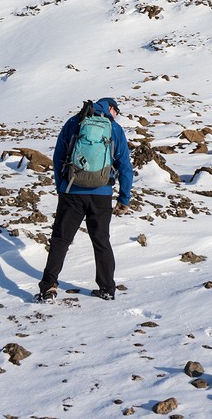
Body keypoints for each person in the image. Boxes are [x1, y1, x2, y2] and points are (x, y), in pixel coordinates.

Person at [36, 97, 133, 302]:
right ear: (111, 109)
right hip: (102, 194)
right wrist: (124, 198)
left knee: (61, 240)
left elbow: (58, 157)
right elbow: (124, 165)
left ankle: (48, 288)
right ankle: (107, 288)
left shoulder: (74, 122)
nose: (117, 115)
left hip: (72, 192)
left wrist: (61, 187)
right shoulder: (114, 129)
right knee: (101, 241)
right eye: (117, 111)